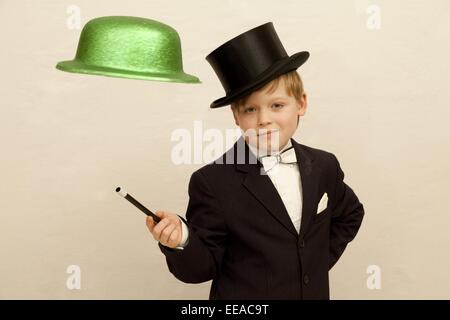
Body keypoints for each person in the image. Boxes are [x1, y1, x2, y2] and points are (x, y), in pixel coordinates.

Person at [146, 22, 365, 299]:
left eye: (277, 105)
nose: (264, 120)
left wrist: (312, 264)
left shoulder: (324, 165)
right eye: (250, 109)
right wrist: (181, 241)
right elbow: (201, 268)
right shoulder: (212, 182)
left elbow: (350, 214)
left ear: (301, 104)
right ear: (236, 118)